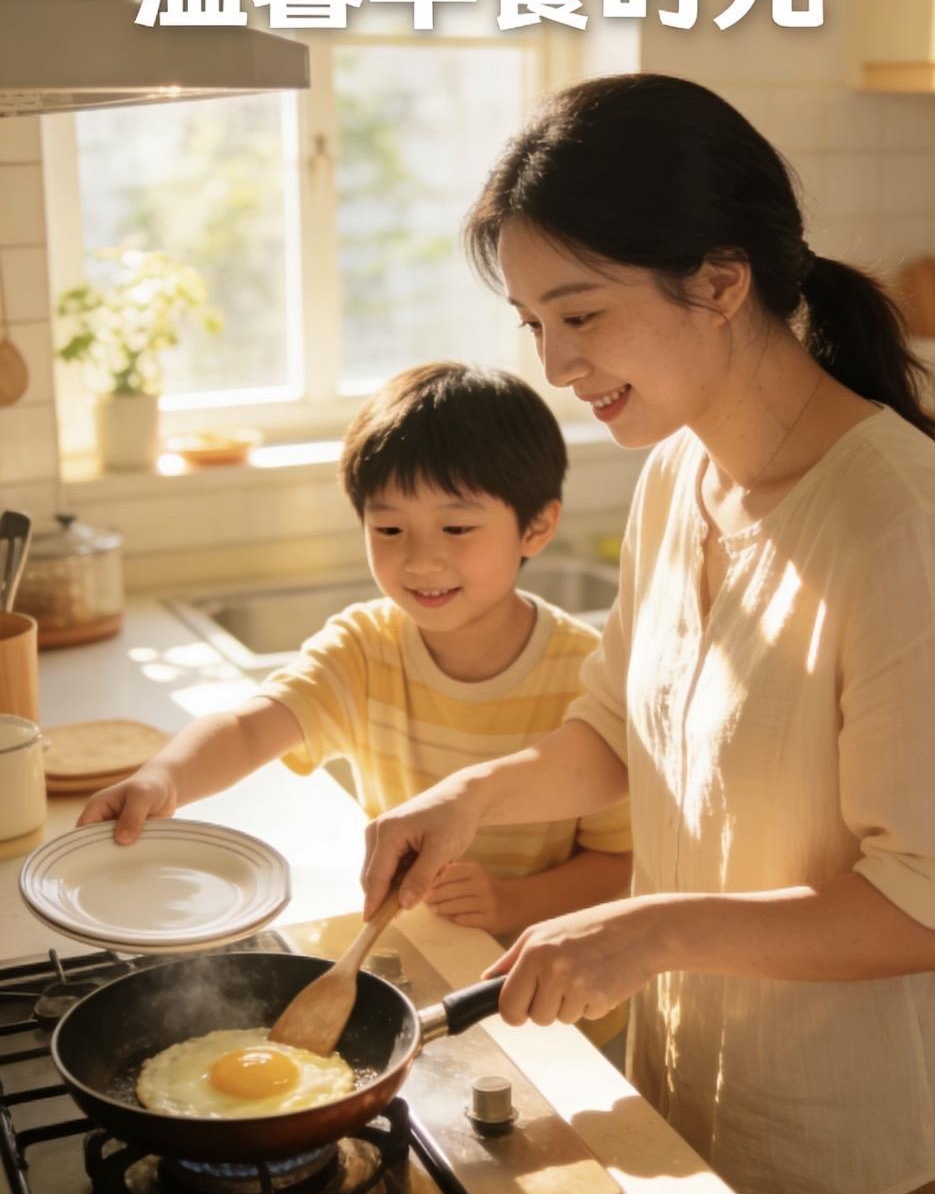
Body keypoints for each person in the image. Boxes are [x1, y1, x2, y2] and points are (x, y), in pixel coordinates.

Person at [359, 75, 935, 1194]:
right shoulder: (680, 470)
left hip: (868, 1162)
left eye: (581, 315)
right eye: (532, 322)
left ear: (722, 279)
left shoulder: (902, 526)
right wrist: (470, 796)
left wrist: (653, 926)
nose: (556, 365)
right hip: (703, 1112)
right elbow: (615, 733)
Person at [79, 362, 632, 1011]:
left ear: (536, 527)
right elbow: (252, 725)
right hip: (416, 964)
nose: (420, 559)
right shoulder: (365, 648)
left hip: (543, 999)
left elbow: (617, 864)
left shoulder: (585, 674)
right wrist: (164, 779)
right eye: (389, 529)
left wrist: (511, 903)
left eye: (456, 528)